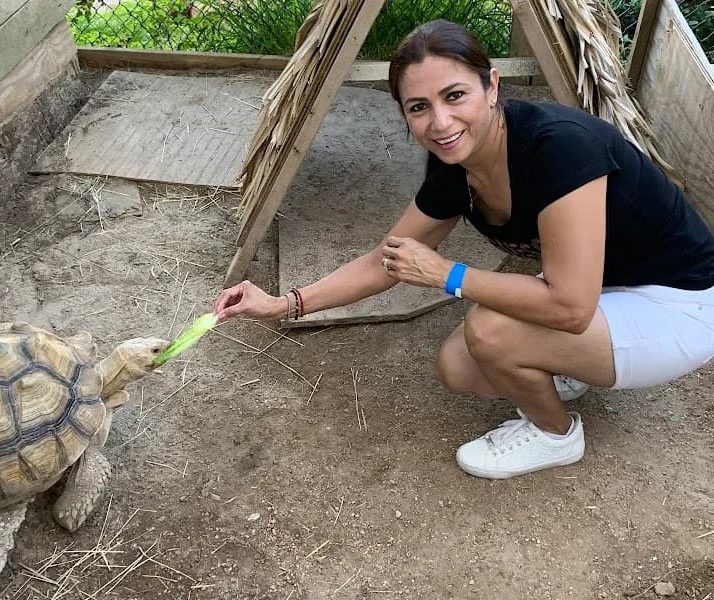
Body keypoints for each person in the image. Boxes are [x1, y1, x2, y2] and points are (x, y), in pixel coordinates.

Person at [213, 20, 714, 479]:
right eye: (419, 107)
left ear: (492, 86)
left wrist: (448, 274)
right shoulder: (454, 169)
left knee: (490, 329)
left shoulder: (560, 147)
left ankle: (556, 436)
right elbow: (385, 260)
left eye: (455, 95)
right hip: (609, 290)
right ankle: (562, 369)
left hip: (681, 303)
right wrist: (284, 305)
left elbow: (570, 305)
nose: (441, 122)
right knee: (459, 366)